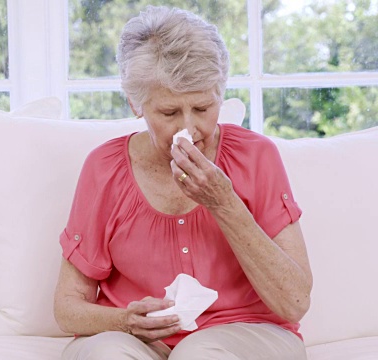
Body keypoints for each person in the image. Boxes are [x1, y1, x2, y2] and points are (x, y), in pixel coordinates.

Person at [53, 5, 313, 360]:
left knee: (199, 354)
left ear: (219, 94)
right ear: (136, 102)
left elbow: (294, 302)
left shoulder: (256, 157)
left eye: (203, 108)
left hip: (249, 332)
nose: (188, 129)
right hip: (136, 338)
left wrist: (224, 202)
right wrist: (125, 320)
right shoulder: (104, 169)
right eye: (169, 113)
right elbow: (68, 307)